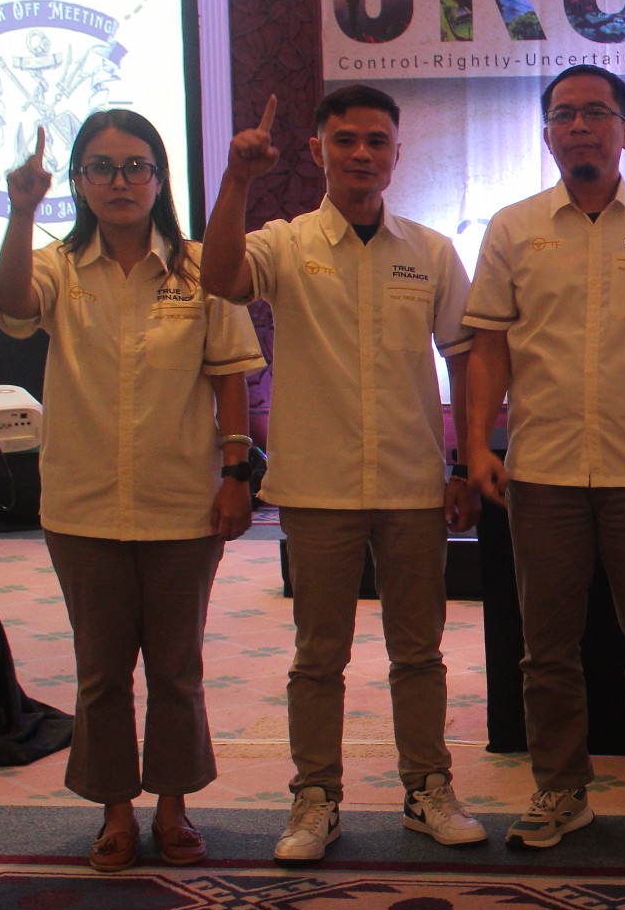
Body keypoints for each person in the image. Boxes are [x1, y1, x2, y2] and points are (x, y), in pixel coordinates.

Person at [201, 86, 487, 863]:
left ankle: (428, 787)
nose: (361, 153)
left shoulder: (430, 250)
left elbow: (464, 359)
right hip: (317, 485)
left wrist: (464, 463)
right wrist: (237, 180)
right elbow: (220, 278)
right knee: (318, 656)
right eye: (345, 140)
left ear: (396, 153)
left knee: (419, 652)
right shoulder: (284, 243)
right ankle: (315, 798)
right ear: (317, 150)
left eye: (376, 141)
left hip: (411, 483)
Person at [0, 110, 263, 872]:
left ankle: (173, 806)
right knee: (102, 672)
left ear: (159, 178)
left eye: (136, 166)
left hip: (184, 502)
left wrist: (236, 474)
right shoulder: (57, 265)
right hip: (82, 505)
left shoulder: (199, 268)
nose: (120, 182)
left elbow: (230, 376)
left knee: (176, 669)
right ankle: (115, 810)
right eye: (102, 168)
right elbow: (12, 308)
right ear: (78, 182)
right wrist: (20, 212)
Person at [461, 65, 625, 851]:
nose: (580, 126)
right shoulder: (513, 228)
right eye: (564, 114)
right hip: (542, 471)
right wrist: (475, 443)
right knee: (547, 649)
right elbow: (489, 347)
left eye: (596, 113)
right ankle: (560, 789)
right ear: (547, 134)